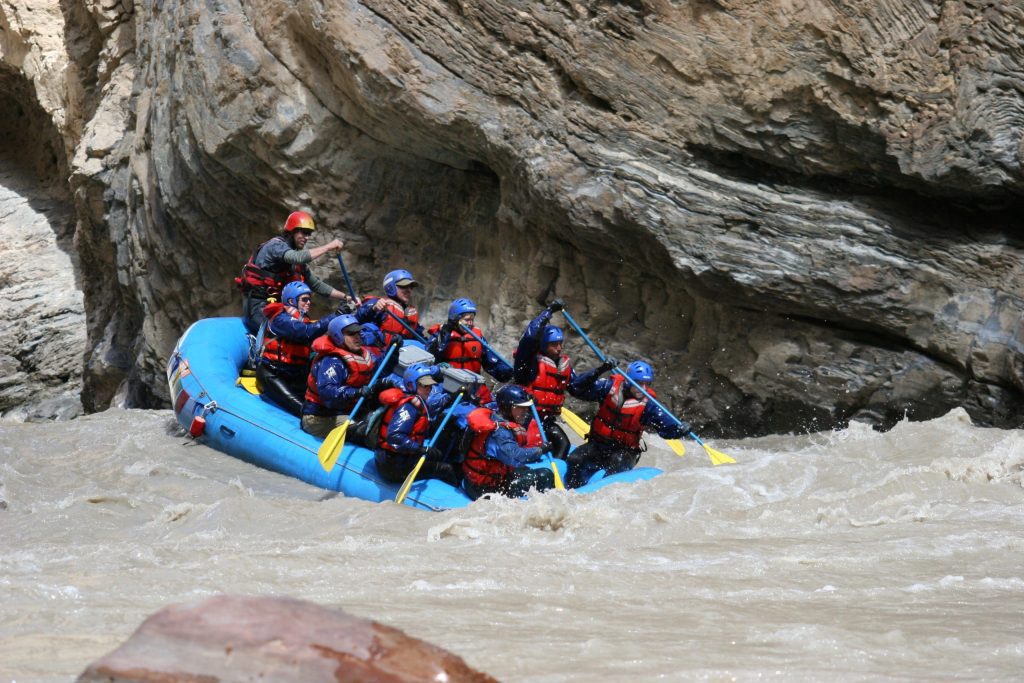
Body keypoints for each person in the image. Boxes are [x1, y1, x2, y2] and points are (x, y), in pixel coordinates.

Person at [512, 298, 614, 459]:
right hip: (527, 418)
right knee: (529, 448)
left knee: (563, 445)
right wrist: (549, 311)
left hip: (546, 420)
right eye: (554, 344)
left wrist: (600, 370)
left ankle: (556, 476)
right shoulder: (528, 363)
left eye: (560, 343)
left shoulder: (562, 365)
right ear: (544, 345)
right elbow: (530, 336)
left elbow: (576, 386)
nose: (559, 348)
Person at [564, 360, 690, 488]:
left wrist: (679, 430)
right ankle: (572, 490)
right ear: (629, 381)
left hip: (625, 452)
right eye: (640, 383)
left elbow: (665, 429)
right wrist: (600, 370)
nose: (644, 388)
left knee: (617, 461)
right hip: (598, 445)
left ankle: (603, 494)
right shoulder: (609, 388)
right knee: (575, 459)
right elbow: (577, 388)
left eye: (647, 384)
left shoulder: (649, 405)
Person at [236, 210, 352, 335]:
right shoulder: (275, 246)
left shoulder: (295, 261)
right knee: (286, 335)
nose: (307, 238)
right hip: (258, 305)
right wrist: (328, 247)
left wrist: (345, 297)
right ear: (292, 231)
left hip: (277, 306)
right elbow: (297, 257)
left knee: (302, 329)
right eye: (304, 233)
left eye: (309, 234)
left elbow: (316, 285)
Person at [300, 314, 399, 438]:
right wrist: (356, 392)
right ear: (338, 336)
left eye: (358, 333)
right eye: (351, 334)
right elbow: (328, 393)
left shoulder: (361, 354)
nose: (357, 337)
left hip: (346, 411)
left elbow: (380, 370)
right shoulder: (332, 361)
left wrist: (393, 352)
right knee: (364, 431)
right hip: (320, 418)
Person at [461, 385, 557, 500]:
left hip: (485, 480)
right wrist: (540, 450)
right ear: (507, 407)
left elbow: (523, 423)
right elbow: (516, 456)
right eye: (521, 407)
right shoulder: (500, 432)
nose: (525, 411)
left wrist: (531, 405)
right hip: (482, 489)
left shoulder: (498, 417)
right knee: (545, 475)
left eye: (526, 408)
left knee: (525, 470)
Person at [256, 281, 337, 416]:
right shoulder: (280, 318)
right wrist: (336, 315)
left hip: (295, 375)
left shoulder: (303, 320)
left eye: (309, 299)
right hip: (273, 374)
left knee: (324, 402)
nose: (309, 303)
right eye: (304, 299)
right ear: (291, 301)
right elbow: (306, 332)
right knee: (305, 410)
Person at [375, 363, 461, 487]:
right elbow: (395, 436)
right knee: (446, 469)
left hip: (400, 458)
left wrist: (452, 397)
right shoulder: (407, 407)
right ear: (411, 385)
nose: (429, 389)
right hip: (393, 465)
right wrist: (421, 449)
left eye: (430, 386)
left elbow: (430, 410)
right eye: (424, 385)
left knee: (439, 452)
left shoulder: (416, 402)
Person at [426, 297, 512, 404]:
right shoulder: (441, 335)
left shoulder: (477, 336)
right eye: (467, 320)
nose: (470, 323)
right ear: (455, 318)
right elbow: (430, 356)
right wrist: (444, 336)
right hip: (448, 385)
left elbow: (491, 362)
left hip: (473, 386)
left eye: (472, 320)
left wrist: (506, 372)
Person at [355, 269, 424, 345]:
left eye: (411, 287)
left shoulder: (409, 312)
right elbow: (357, 320)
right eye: (404, 286)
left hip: (402, 352)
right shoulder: (377, 303)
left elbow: (419, 336)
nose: (409, 290)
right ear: (390, 287)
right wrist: (373, 309)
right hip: (380, 352)